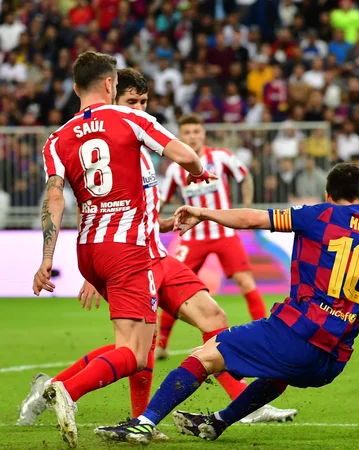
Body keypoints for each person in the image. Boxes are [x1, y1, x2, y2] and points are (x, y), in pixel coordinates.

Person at [17, 69, 297, 434]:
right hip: (128, 255)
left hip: (155, 252)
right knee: (137, 350)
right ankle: (107, 406)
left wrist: (162, 224)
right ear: (112, 96)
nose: (138, 107)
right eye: (131, 101)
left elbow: (136, 204)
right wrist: (95, 274)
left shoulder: (140, 149)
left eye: (143, 102)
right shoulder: (120, 131)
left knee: (212, 318)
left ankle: (240, 404)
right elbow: (101, 205)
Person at [94, 163, 359, 444]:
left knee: (206, 354)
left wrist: (204, 212)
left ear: (328, 195)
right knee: (278, 374)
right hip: (333, 361)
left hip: (298, 334)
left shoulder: (319, 215)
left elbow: (254, 219)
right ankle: (218, 422)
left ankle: (145, 423)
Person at [31, 51, 211, 448]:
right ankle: (66, 391)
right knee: (133, 352)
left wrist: (46, 259)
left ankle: (138, 422)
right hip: (128, 249)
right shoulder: (131, 118)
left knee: (140, 347)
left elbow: (55, 199)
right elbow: (187, 156)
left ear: (76, 88)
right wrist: (199, 171)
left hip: (88, 251)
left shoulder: (56, 138)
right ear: (111, 85)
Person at [157, 113, 263, 360]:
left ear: (203, 133)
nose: (192, 136)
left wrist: (246, 206)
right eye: (187, 133)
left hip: (224, 231)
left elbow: (244, 176)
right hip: (193, 236)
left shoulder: (220, 157)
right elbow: (159, 204)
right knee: (173, 288)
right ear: (180, 137)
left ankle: (265, 336)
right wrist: (161, 223)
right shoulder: (175, 169)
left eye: (196, 131)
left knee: (246, 282)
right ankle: (162, 344)